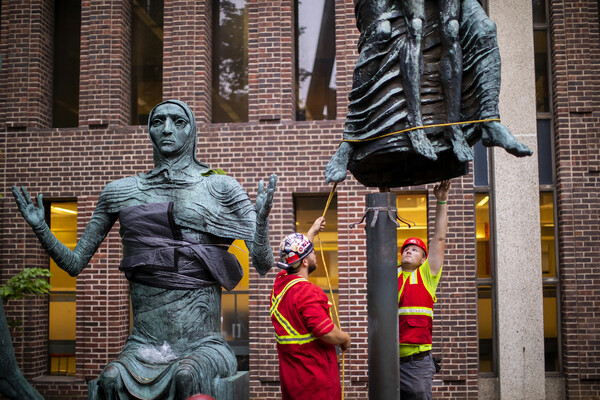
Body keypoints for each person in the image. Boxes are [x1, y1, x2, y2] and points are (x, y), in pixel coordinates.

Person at [12, 100, 277, 400]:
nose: (166, 129)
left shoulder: (220, 187)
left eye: (178, 121)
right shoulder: (120, 192)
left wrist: (263, 221)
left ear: (192, 132)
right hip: (143, 345)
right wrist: (41, 228)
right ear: (149, 130)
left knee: (186, 376)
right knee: (109, 379)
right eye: (158, 121)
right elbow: (74, 263)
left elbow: (263, 263)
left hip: (202, 345)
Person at [270, 217, 351, 400]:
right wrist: (345, 339)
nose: (315, 255)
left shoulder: (280, 284)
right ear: (305, 262)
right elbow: (326, 332)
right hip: (315, 384)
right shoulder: (308, 292)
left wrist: (312, 231)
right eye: (312, 252)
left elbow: (296, 257)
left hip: (293, 382)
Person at [398, 179, 450, 399]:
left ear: (423, 259)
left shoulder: (426, 275)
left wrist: (441, 202)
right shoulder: (391, 275)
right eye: (406, 249)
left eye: (415, 250)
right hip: (388, 362)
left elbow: (439, 238)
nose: (409, 252)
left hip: (416, 365)